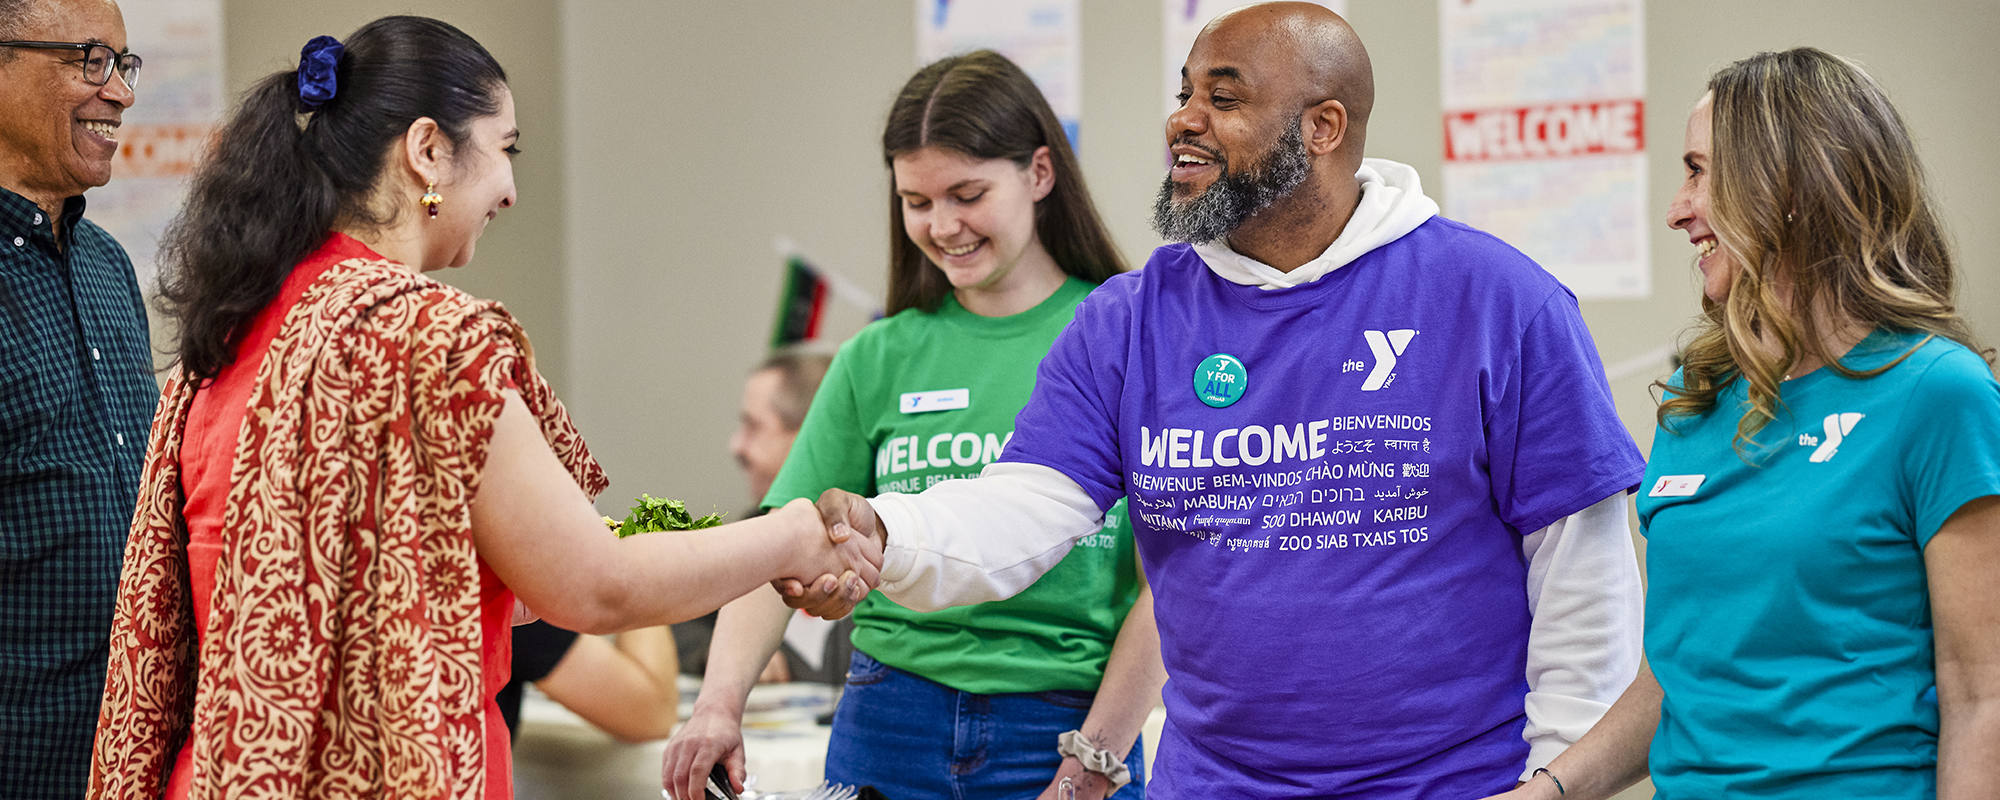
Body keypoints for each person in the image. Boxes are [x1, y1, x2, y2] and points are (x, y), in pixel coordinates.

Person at [794, 4, 1650, 798]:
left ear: (1322, 127)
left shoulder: (1497, 300)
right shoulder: (1130, 319)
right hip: (1212, 782)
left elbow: (1583, 578)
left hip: (1453, 782)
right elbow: (1025, 509)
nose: (1183, 120)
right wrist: (890, 531)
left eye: (1223, 97)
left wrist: (1556, 783)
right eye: (1184, 94)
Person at [84, 17, 877, 799]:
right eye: (506, 149)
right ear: (428, 150)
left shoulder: (240, 329)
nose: (512, 188)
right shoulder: (427, 338)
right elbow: (594, 588)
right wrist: (792, 533)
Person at [1473, 48, 2000, 800]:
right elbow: (1676, 681)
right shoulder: (1701, 394)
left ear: (1786, 187)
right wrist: (1548, 791)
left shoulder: (1939, 395)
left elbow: (1983, 695)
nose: (1677, 208)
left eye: (1698, 172)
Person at [666, 51, 1164, 800]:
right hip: (888, 715)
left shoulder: (1124, 333)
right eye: (917, 201)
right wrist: (716, 705)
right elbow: (779, 546)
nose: (944, 226)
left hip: (1065, 726)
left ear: (1039, 173)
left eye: (967, 194)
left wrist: (1093, 760)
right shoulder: (879, 355)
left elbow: (1174, 584)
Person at [0, 0, 155, 795]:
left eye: (123, 65)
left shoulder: (107, 265)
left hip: (137, 758)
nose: (120, 92)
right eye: (89, 59)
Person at [674, 351, 853, 685]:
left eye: (753, 427)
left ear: (811, 437)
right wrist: (716, 653)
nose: (736, 446)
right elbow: (677, 624)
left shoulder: (886, 540)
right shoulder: (748, 533)